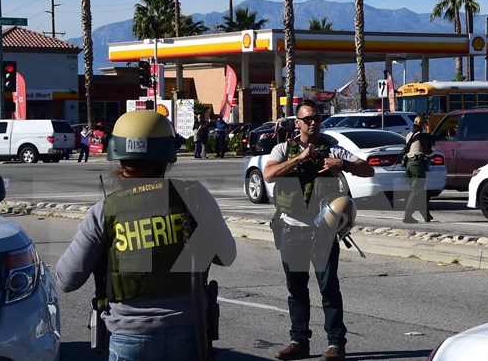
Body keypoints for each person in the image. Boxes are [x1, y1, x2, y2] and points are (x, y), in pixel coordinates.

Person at [56, 110, 237, 361]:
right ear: (166, 159)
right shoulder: (194, 197)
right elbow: (226, 256)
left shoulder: (103, 212)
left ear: (118, 157)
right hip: (189, 334)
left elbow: (67, 280)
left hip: (128, 339)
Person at [263, 99, 374, 361]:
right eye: (307, 119)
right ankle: (298, 341)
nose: (313, 122)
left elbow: (367, 169)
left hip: (323, 230)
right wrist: (300, 158)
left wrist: (342, 165)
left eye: (316, 118)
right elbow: (269, 174)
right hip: (291, 229)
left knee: (329, 289)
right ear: (297, 123)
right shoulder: (282, 149)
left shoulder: (333, 149)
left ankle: (336, 344)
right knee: (296, 290)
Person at [402, 115, 435, 224]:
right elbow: (428, 152)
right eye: (426, 124)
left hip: (409, 165)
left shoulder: (409, 135)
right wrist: (433, 153)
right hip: (417, 165)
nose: (426, 126)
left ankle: (426, 215)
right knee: (416, 191)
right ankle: (407, 215)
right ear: (423, 124)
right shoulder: (423, 136)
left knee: (417, 192)